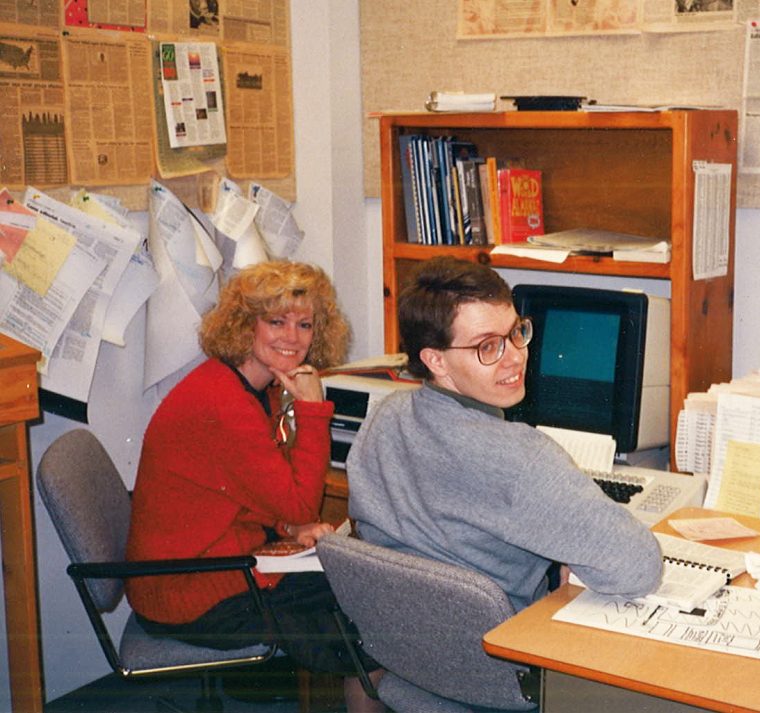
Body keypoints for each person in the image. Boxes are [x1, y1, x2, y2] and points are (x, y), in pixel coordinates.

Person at [125, 260, 383, 712]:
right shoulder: (223, 403)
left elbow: (253, 489)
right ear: (246, 325)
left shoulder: (242, 384)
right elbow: (302, 503)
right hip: (188, 591)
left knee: (359, 592)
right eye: (276, 321)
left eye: (305, 324)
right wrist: (312, 410)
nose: (292, 336)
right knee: (369, 628)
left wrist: (288, 529)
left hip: (212, 560)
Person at [346, 256, 662, 615]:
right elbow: (640, 568)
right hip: (501, 653)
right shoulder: (521, 458)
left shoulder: (386, 415)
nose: (515, 357)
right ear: (436, 361)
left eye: (516, 333)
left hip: (409, 648)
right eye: (487, 346)